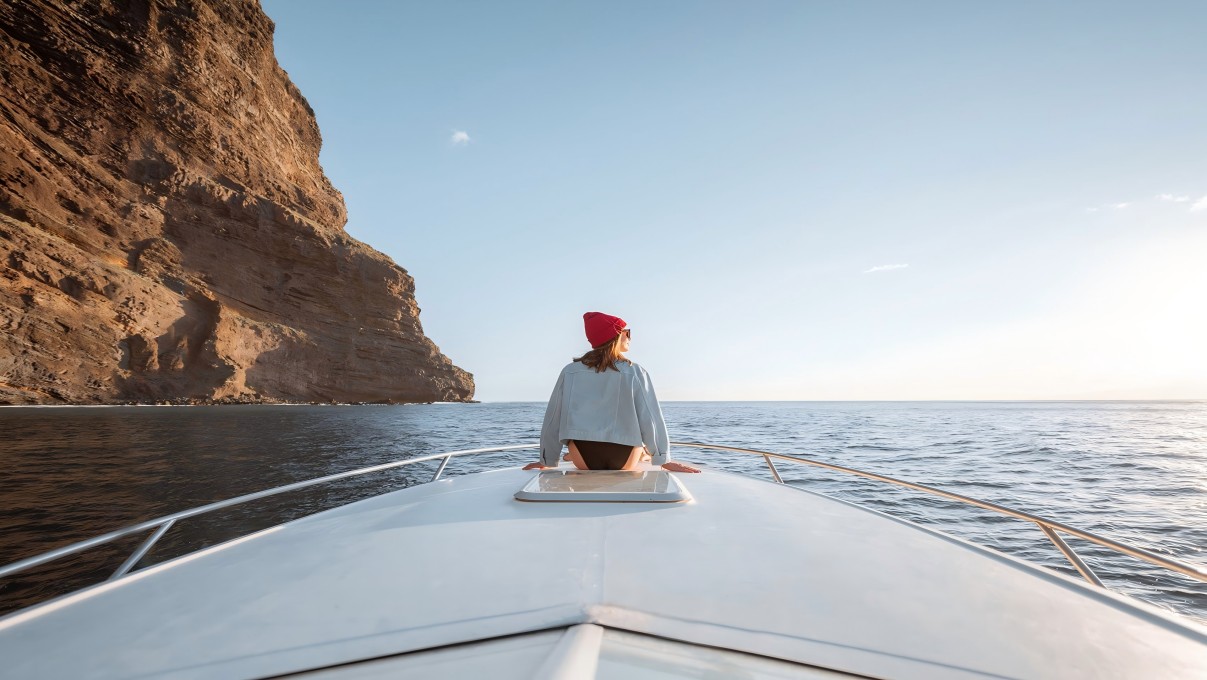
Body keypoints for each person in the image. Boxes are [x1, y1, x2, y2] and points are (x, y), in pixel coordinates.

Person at [523, 312, 700, 473]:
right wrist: (663, 459)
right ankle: (645, 454)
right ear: (616, 336)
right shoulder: (635, 372)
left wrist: (547, 459)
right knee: (641, 447)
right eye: (627, 332)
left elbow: (553, 417)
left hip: (583, 458)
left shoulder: (570, 371)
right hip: (624, 458)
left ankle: (572, 455)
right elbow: (650, 418)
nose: (630, 337)